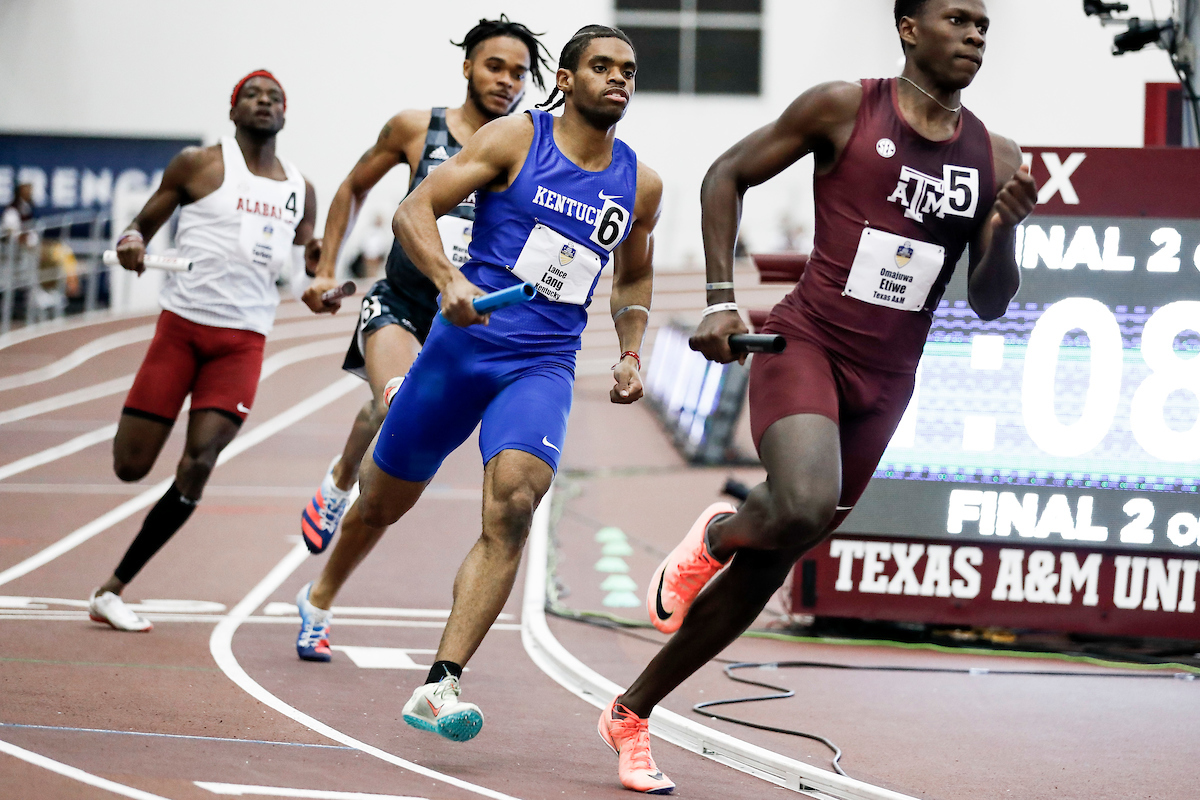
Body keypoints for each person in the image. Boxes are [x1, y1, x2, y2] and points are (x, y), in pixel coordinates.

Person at [602, 0, 1038, 792]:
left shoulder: (997, 156)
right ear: (909, 27)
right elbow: (725, 175)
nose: (976, 33)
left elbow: (989, 301)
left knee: (774, 565)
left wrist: (1005, 227)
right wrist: (719, 300)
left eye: (984, 24)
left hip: (888, 381)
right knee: (801, 503)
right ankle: (719, 532)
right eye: (958, 18)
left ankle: (631, 713)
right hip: (806, 345)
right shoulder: (844, 107)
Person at [313, 25, 660, 750]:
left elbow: (632, 274)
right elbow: (413, 210)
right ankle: (329, 556)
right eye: (601, 66)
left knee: (516, 503)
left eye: (628, 70)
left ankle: (440, 683)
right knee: (381, 505)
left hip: (542, 365)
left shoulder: (641, 183)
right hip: (461, 351)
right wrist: (449, 280)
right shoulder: (514, 139)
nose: (618, 79)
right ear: (566, 79)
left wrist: (631, 349)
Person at [291, 16, 552, 662]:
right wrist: (325, 268)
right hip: (403, 305)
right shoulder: (416, 128)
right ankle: (338, 479)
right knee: (394, 402)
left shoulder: (527, 147)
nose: (507, 81)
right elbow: (354, 186)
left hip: (464, 329)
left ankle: (318, 596)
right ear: (467, 67)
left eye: (519, 73)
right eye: (495, 66)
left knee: (395, 479)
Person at [86, 70, 318, 631]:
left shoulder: (301, 188)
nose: (265, 102)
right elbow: (138, 227)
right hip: (182, 331)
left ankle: (112, 589)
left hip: (242, 343)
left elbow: (306, 270)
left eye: (275, 97)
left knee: (198, 463)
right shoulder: (199, 165)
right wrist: (132, 242)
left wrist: (320, 282)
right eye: (253, 95)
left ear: (285, 114)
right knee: (129, 466)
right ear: (233, 109)